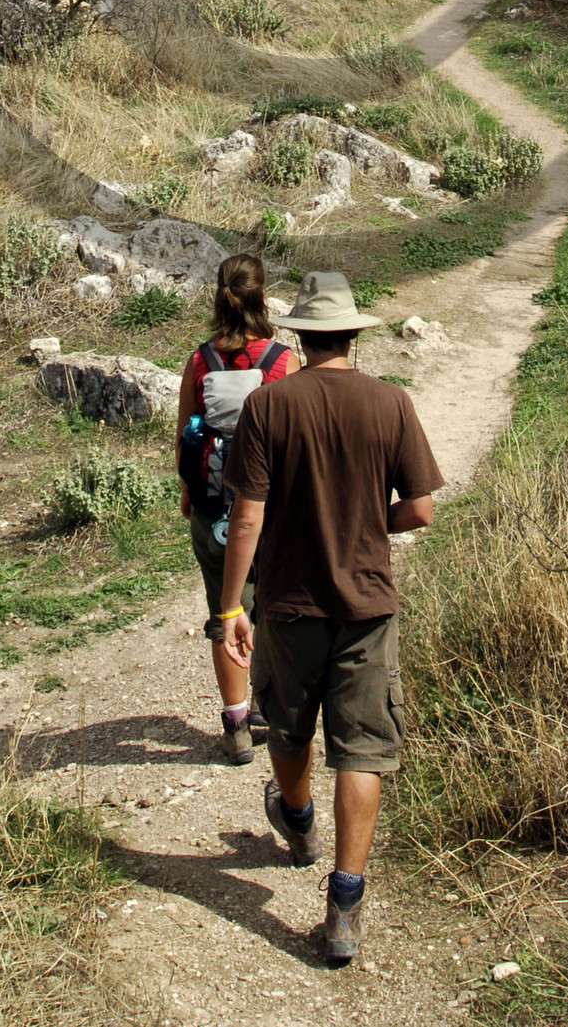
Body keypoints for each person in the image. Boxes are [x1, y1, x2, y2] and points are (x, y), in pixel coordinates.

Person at [218, 269, 442, 967]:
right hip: (368, 603)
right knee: (362, 749)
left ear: (304, 337)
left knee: (287, 725)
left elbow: (247, 514)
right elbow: (421, 509)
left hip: (288, 602)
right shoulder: (390, 402)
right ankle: (345, 901)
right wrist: (364, 519)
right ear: (352, 332)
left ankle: (299, 819)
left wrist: (230, 605)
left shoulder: (270, 405)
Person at [177, 253, 298, 763]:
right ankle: (269, 706)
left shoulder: (201, 359)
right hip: (271, 507)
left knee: (223, 610)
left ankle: (236, 722)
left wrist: (188, 490)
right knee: (270, 605)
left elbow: (186, 430)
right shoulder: (283, 361)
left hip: (212, 507)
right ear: (262, 295)